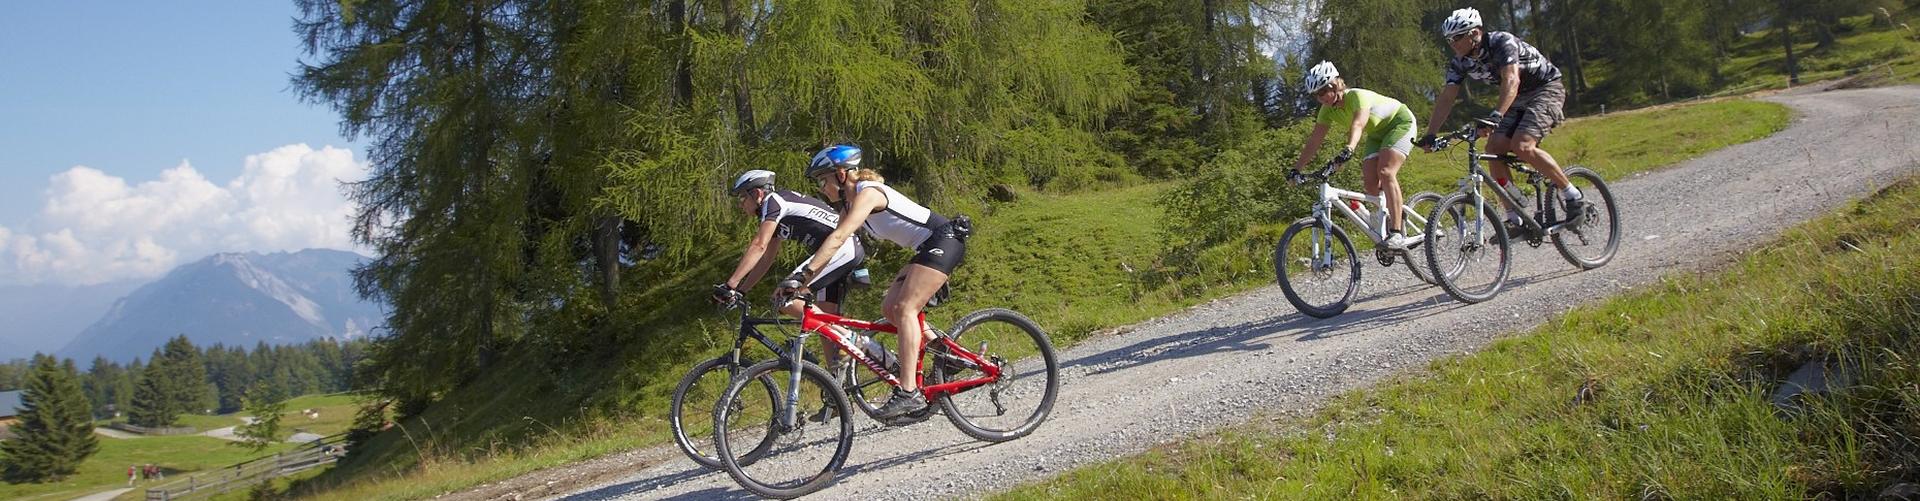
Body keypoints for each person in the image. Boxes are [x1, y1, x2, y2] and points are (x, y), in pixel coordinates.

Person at [785, 144, 967, 419]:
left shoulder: (867, 193)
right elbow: (837, 243)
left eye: (823, 180)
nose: (821, 187)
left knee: (905, 309)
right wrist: (806, 282)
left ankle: (909, 393)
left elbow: (838, 237)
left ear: (841, 174)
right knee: (889, 309)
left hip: (944, 239)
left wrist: (803, 275)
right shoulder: (849, 204)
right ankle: (947, 354)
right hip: (926, 247)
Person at [1417, 7, 1585, 236]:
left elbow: (1511, 79)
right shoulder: (1461, 61)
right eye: (1448, 40)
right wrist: (1431, 133)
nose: (1452, 44)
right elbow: (1447, 97)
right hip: (1517, 97)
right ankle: (1514, 217)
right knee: (1493, 149)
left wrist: (1496, 115)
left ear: (1474, 33)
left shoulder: (1501, 42)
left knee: (1523, 145)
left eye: (1457, 38)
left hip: (1544, 88)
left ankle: (1572, 194)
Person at [711, 169, 868, 407]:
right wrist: (742, 290)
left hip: (840, 248)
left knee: (784, 298)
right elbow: (767, 258)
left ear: (757, 193)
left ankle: (851, 339)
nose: (741, 203)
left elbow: (759, 245)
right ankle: (839, 395)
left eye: (743, 197)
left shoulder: (774, 202)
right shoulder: (774, 210)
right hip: (835, 251)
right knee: (826, 325)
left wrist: (730, 284)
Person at [1289, 60, 1422, 250]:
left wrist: (1349, 148)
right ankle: (1386, 217)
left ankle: (1396, 231)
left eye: (1322, 92)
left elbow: (1358, 124)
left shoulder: (1357, 96)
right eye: (1316, 95)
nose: (1321, 98)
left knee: (1385, 172)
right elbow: (1314, 141)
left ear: (1334, 85)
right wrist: (1296, 169)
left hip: (1400, 124)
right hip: (1377, 134)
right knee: (1369, 182)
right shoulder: (1326, 111)